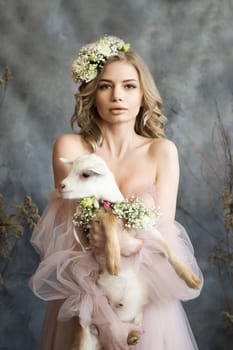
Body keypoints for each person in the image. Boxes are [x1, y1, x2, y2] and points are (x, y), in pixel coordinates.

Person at [29, 35, 203, 350]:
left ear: (143, 95)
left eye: (129, 86)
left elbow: (165, 237)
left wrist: (127, 243)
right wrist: (102, 314)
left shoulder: (161, 152)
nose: (117, 96)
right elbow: (66, 242)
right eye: (106, 86)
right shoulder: (70, 148)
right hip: (84, 297)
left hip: (144, 302)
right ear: (92, 94)